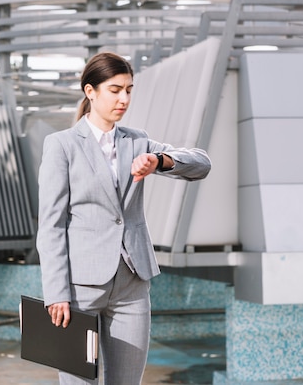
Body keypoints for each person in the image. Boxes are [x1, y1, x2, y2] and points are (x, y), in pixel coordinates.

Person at [35, 51, 211, 385]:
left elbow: (201, 163)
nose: (124, 99)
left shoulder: (138, 141)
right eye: (115, 90)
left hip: (132, 284)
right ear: (91, 92)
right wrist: (56, 292)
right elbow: (51, 225)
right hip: (79, 289)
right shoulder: (61, 145)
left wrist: (159, 161)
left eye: (129, 90)